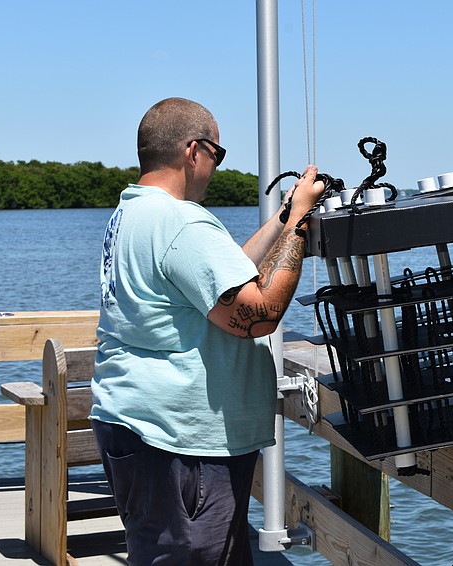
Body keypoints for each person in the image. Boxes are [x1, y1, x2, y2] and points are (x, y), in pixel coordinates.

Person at [91, 97, 325, 565]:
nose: (215, 168)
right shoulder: (180, 222)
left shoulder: (132, 213)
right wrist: (300, 223)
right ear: (193, 151)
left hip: (136, 426)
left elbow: (222, 271)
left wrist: (282, 217)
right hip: (180, 443)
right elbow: (258, 314)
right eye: (217, 155)